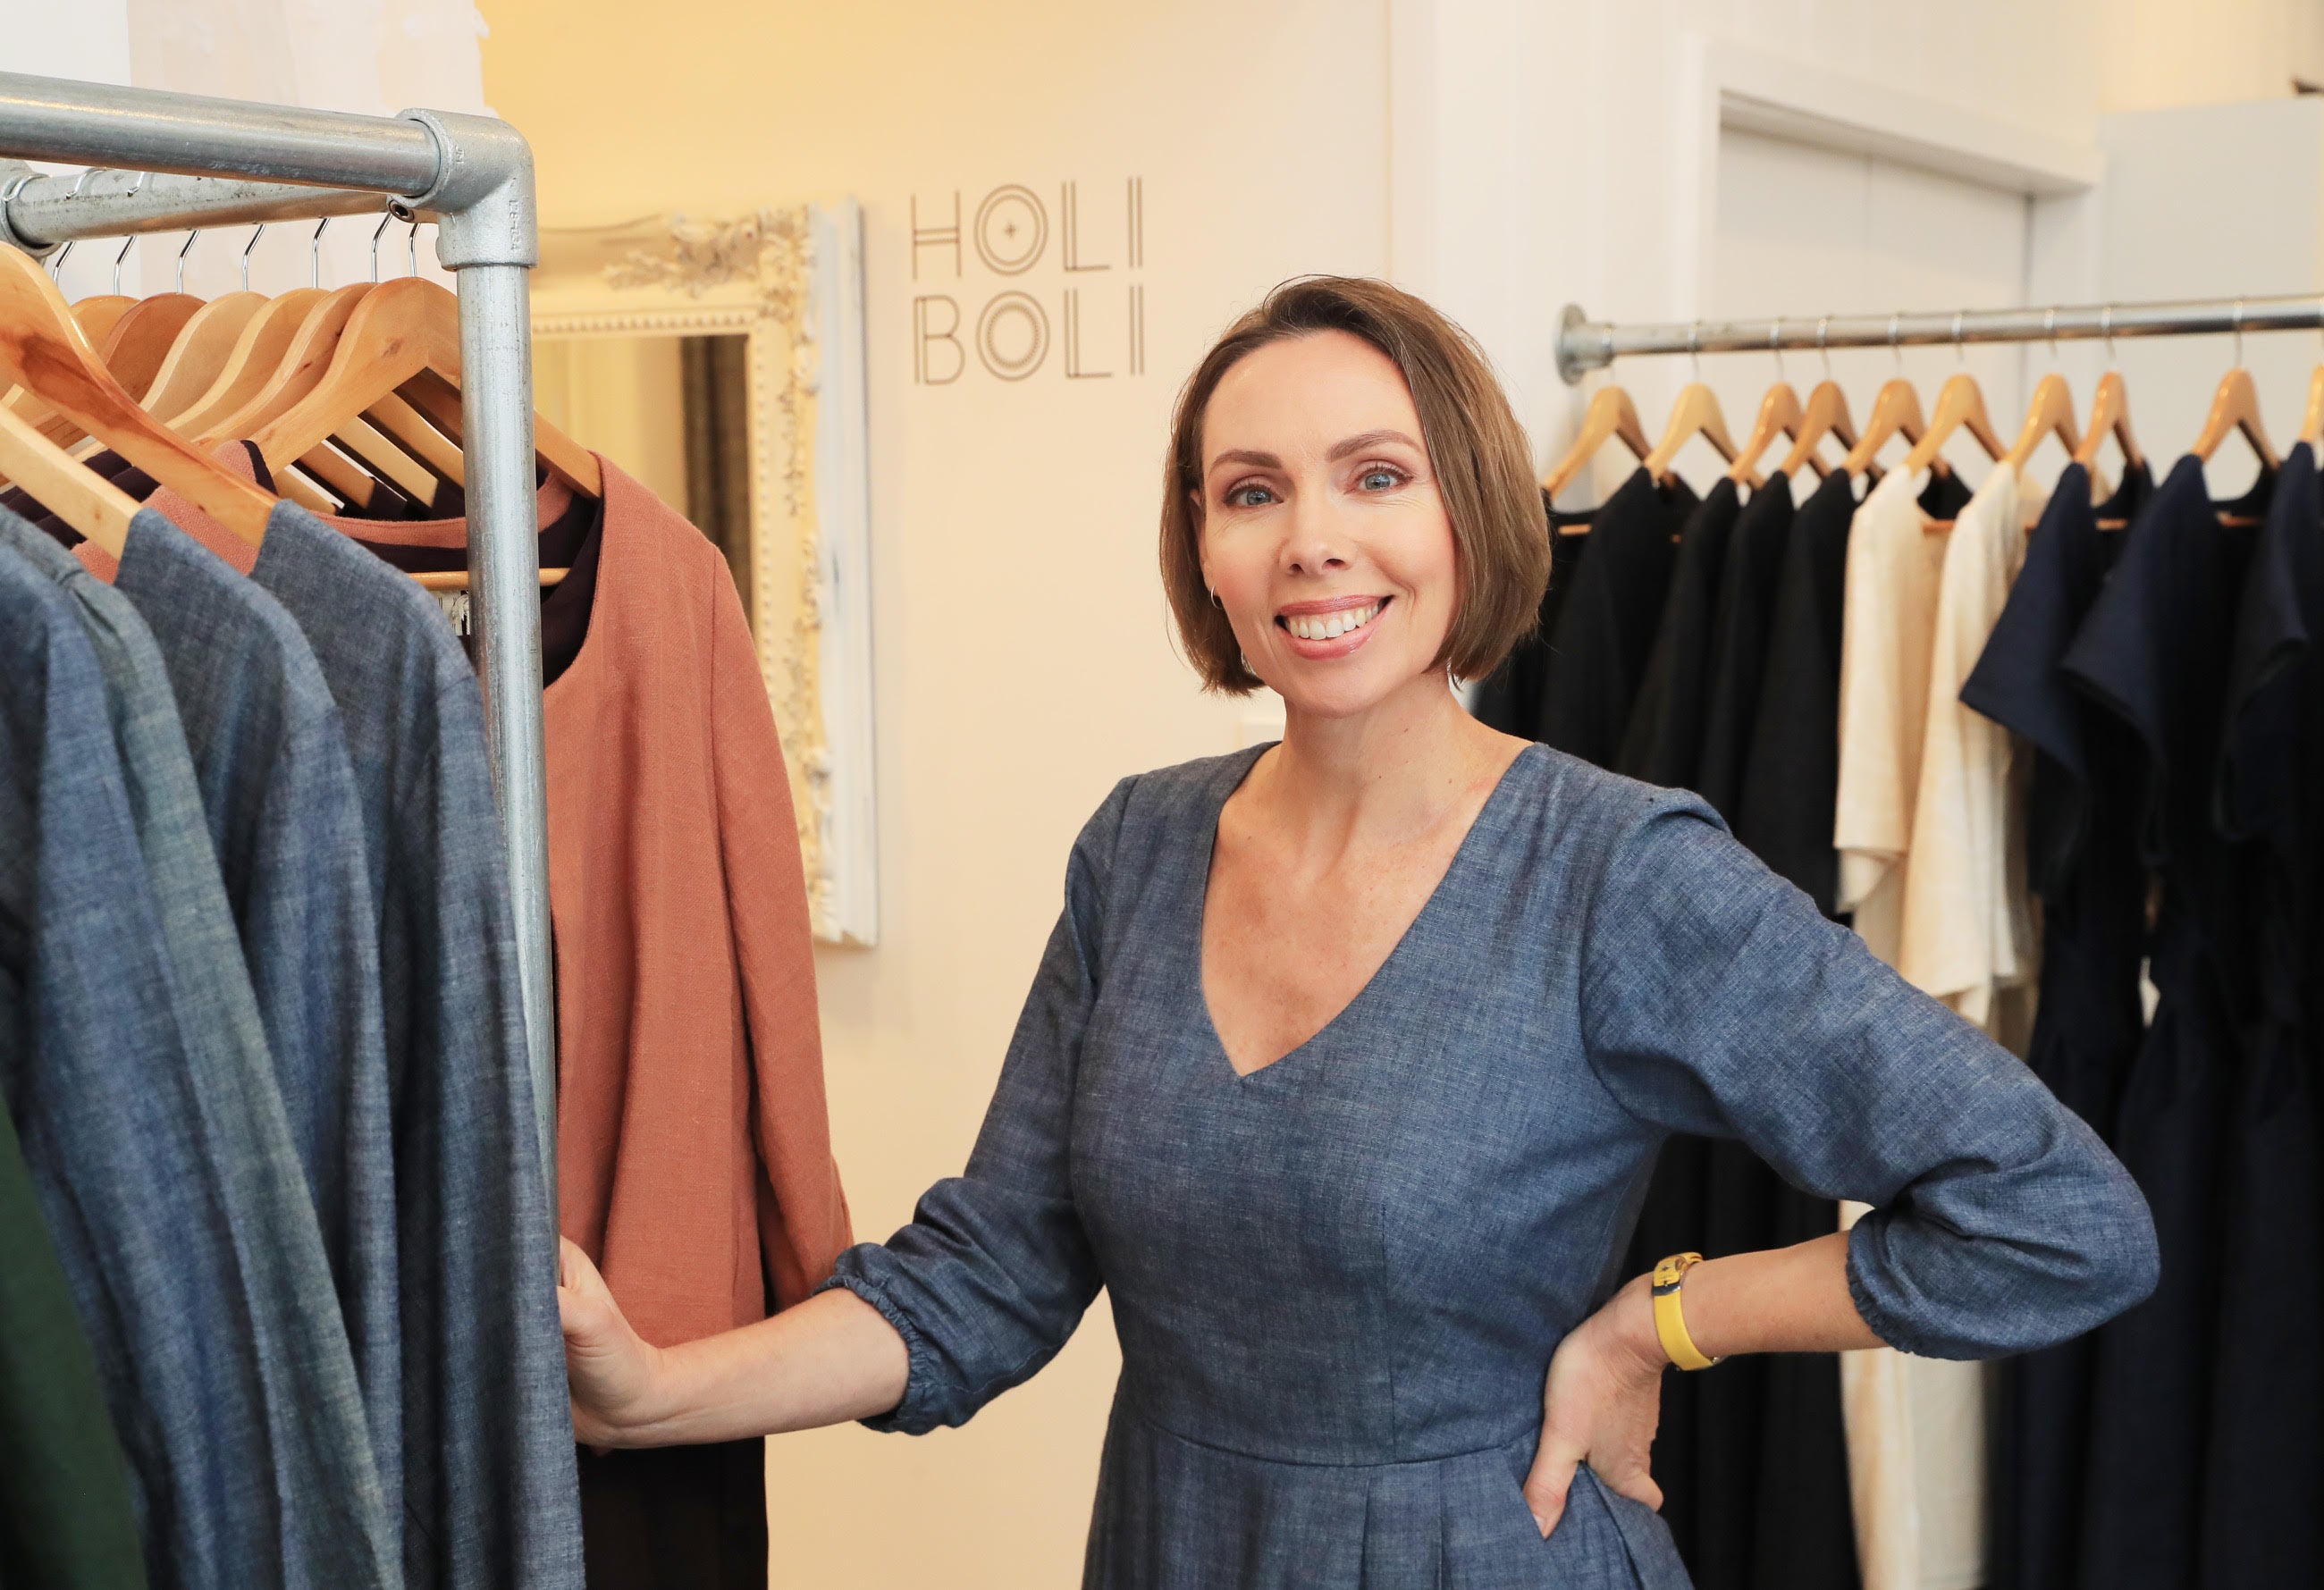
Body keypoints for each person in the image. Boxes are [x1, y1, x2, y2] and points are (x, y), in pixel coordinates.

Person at [555, 276, 2157, 1588]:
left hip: (1494, 1552)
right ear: (1204, 547)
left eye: (1374, 477)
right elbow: (986, 1280)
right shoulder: (1140, 846)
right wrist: (651, 1393)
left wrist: (1662, 1319)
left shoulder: (1618, 873)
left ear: (1468, 510)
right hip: (1178, 1544)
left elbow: (2057, 1218)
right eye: (1252, 492)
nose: (1311, 539)